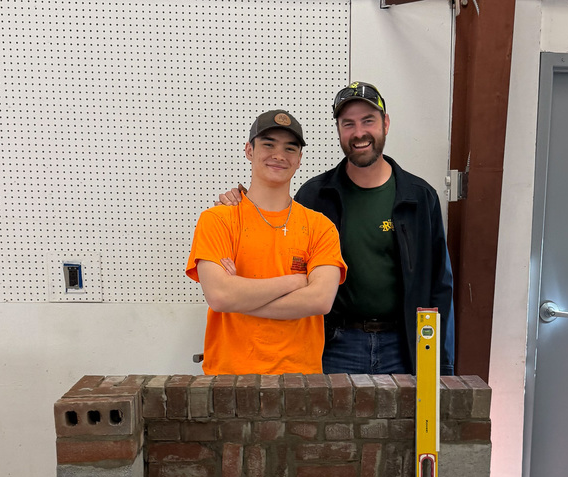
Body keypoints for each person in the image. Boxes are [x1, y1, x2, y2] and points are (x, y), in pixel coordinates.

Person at [219, 82, 455, 376]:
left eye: (368, 121)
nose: (359, 133)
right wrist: (242, 203)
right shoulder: (316, 196)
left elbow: (440, 287)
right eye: (348, 124)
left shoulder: (420, 197)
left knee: (403, 423)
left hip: (404, 345)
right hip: (335, 344)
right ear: (339, 131)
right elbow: (276, 224)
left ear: (386, 123)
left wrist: (441, 364)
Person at [187, 110, 347, 376]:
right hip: (230, 379)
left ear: (299, 160)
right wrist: (295, 282)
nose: (278, 155)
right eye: (268, 144)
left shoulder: (320, 227)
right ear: (249, 150)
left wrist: (241, 297)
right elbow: (220, 296)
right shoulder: (217, 219)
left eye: (289, 148)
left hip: (302, 381)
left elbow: (320, 301)